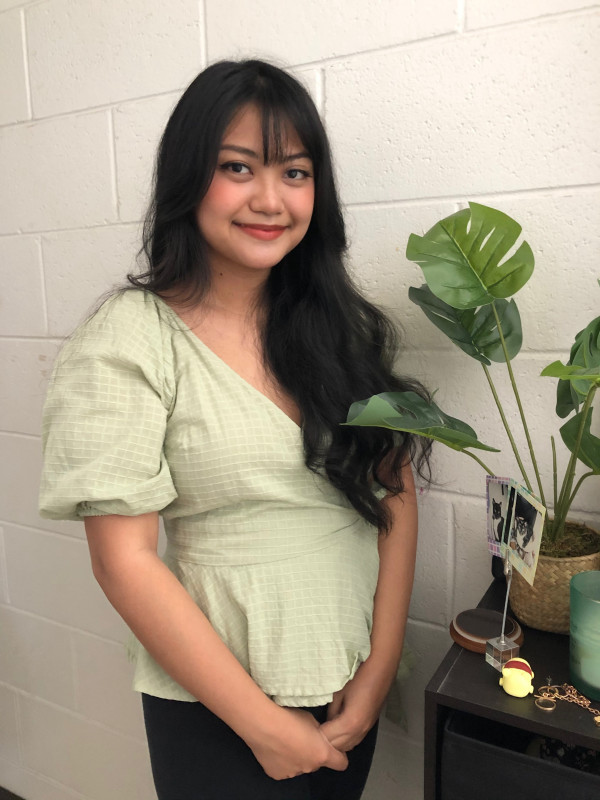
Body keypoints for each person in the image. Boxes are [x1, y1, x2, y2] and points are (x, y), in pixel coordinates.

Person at [39, 59, 430, 800]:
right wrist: (265, 726)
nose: (269, 199)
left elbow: (394, 490)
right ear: (189, 177)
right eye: (238, 167)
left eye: (295, 172)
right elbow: (125, 561)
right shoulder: (128, 339)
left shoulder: (337, 328)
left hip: (351, 687)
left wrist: (380, 670)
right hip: (219, 711)